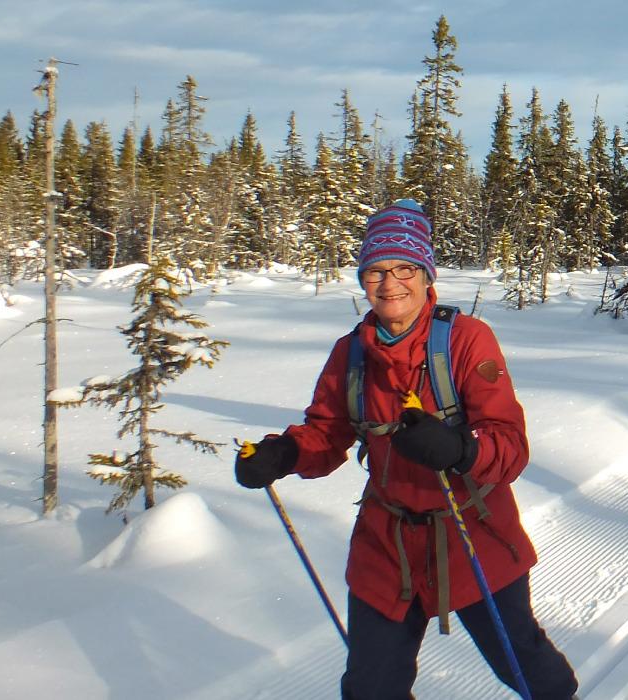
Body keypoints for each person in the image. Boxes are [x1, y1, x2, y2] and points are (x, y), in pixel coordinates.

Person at [232, 200, 579, 700]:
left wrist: (460, 448)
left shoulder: (465, 340)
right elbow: (327, 430)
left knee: (525, 664)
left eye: (403, 268)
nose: (390, 283)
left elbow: (509, 444)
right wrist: (283, 454)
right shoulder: (351, 353)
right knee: (371, 686)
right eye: (375, 270)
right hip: (387, 541)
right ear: (361, 280)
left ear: (425, 273)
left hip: (471, 530)